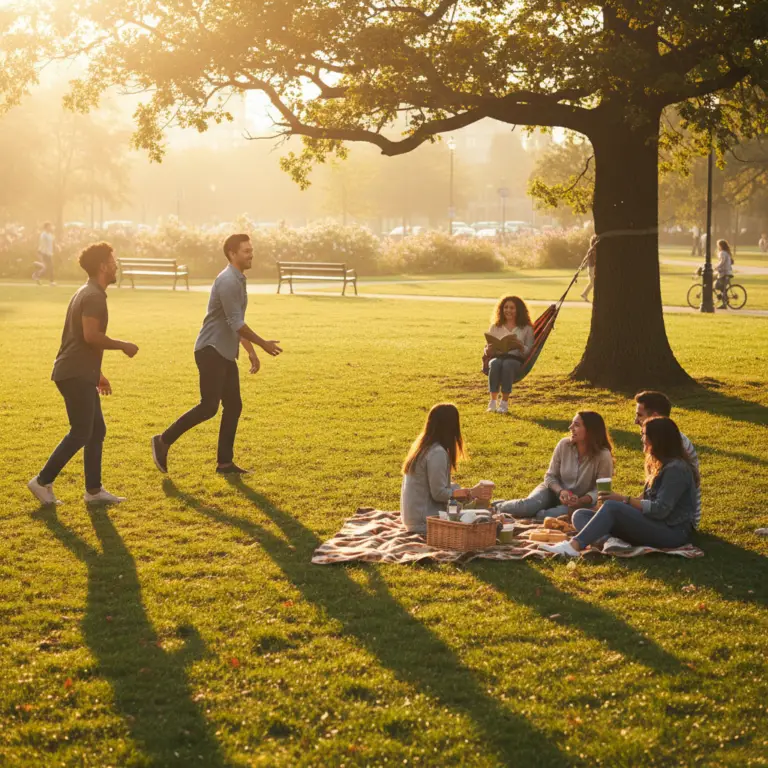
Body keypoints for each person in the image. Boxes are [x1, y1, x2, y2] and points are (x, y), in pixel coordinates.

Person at [151, 234, 282, 475]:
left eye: (251, 250)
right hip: (210, 350)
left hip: (223, 351)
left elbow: (235, 320)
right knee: (209, 406)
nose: (251, 254)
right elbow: (235, 322)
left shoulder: (238, 279)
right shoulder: (228, 281)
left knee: (233, 405)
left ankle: (225, 463)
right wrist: (262, 343)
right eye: (246, 251)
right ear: (232, 254)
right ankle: (163, 440)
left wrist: (250, 351)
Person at [27, 242, 139, 505]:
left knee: (96, 430)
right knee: (81, 431)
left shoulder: (86, 292)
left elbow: (81, 339)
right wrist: (123, 345)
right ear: (103, 266)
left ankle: (93, 491)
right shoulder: (93, 297)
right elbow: (90, 336)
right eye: (113, 260)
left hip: (76, 371)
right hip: (74, 372)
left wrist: (97, 373)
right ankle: (42, 481)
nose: (116, 265)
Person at [541, 417, 698, 557]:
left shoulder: (676, 469)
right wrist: (615, 506)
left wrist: (623, 500)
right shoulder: (661, 464)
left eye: (644, 434)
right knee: (580, 515)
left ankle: (574, 546)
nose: (641, 438)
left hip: (672, 532)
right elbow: (646, 500)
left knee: (612, 507)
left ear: (657, 439)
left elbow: (660, 510)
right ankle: (611, 542)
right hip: (654, 524)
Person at [495, 411, 614, 521]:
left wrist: (581, 501)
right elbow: (550, 476)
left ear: (590, 430)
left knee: (544, 516)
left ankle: (536, 514)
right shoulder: (564, 445)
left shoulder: (603, 455)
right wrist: (561, 491)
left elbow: (601, 490)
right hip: (553, 490)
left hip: (579, 502)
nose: (570, 428)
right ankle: (496, 506)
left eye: (576, 425)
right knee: (527, 507)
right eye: (571, 424)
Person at [400, 403, 493, 533]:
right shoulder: (437, 453)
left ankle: (473, 506)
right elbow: (439, 494)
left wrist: (464, 491)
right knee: (486, 517)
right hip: (425, 521)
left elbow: (435, 486)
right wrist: (471, 493)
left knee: (482, 512)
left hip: (414, 518)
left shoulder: (422, 447)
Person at [634, 390, 701, 529]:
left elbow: (665, 503)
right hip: (658, 512)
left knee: (613, 512)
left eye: (640, 415)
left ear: (655, 417)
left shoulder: (673, 445)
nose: (636, 421)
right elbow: (655, 490)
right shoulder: (663, 442)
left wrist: (628, 502)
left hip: (673, 521)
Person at [484, 295, 534, 414]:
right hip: (498, 356)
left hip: (515, 359)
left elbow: (530, 352)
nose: (508, 310)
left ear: (518, 310)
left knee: (507, 364)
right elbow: (487, 351)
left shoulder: (527, 328)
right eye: (505, 307)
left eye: (512, 308)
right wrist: (489, 349)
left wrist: (520, 346)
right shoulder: (495, 326)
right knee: (495, 364)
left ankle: (504, 403)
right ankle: (492, 401)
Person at [714, 239, 734, 308]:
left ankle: (724, 303)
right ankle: (724, 299)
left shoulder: (722, 252)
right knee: (722, 288)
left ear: (721, 246)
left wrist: (716, 267)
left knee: (717, 286)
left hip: (725, 273)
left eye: (718, 245)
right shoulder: (727, 252)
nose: (718, 247)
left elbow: (722, 262)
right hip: (728, 272)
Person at [580, 235, 598, 301]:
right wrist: (582, 266)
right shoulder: (593, 250)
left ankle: (584, 294)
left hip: (592, 267)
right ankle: (584, 294)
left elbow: (586, 258)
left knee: (592, 282)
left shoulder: (592, 249)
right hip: (592, 268)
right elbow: (587, 258)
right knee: (592, 282)